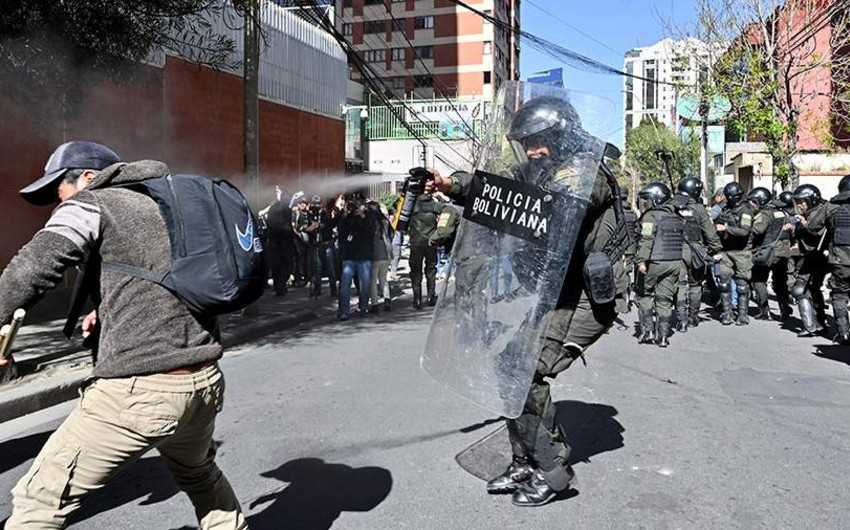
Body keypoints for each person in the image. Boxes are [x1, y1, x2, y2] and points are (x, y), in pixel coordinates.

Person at [0, 142, 246, 528]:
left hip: (141, 389)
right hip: (204, 383)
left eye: (57, 190)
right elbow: (161, 275)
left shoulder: (92, 203)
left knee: (38, 500)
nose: (56, 201)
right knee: (199, 475)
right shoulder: (170, 202)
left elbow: (31, 268)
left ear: (85, 177)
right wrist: (108, 307)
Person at [430, 94, 626, 507]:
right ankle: (526, 460)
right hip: (558, 293)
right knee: (509, 368)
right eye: (527, 143)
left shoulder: (584, 173)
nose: (532, 150)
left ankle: (553, 470)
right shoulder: (545, 170)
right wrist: (449, 184)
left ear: (563, 134)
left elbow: (560, 210)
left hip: (586, 298)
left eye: (540, 140)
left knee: (527, 371)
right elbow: (500, 192)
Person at [797, 177, 850, 342]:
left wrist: (804, 224)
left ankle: (844, 333)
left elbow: (813, 227)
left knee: (839, 295)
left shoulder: (831, 206)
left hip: (840, 259)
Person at [635, 182, 683, 347]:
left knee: (644, 294)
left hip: (655, 262)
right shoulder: (676, 216)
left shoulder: (651, 216)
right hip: (675, 262)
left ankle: (647, 331)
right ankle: (663, 337)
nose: (645, 203)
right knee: (664, 299)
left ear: (656, 199)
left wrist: (641, 260)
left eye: (647, 200)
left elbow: (646, 240)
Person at [671, 177, 722, 330]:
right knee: (695, 285)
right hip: (696, 251)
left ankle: (681, 319)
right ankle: (693, 317)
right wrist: (716, 250)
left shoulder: (672, 206)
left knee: (679, 285)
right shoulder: (699, 209)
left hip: (676, 250)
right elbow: (710, 233)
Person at [405, 177, 459, 309]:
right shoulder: (433, 205)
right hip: (431, 242)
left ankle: (417, 299)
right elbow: (450, 210)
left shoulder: (411, 205)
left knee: (416, 272)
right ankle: (430, 296)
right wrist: (439, 234)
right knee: (431, 270)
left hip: (415, 243)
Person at [748, 187, 794, 320]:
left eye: (754, 202)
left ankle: (764, 311)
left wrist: (746, 227)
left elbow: (758, 230)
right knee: (780, 281)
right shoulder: (780, 212)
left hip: (767, 252)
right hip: (783, 252)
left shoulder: (765, 213)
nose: (753, 205)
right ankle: (784, 308)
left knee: (759, 280)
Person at [790, 184, 829, 336]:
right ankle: (820, 323)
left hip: (818, 257)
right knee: (813, 289)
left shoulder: (819, 212)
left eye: (802, 201)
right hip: (812, 256)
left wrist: (805, 225)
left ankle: (811, 326)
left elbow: (818, 233)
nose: (800, 205)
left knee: (798, 289)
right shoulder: (813, 212)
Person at [715, 181, 755, 326]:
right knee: (724, 283)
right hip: (726, 251)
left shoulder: (746, 210)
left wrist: (726, 228)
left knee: (742, 284)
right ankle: (727, 313)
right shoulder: (725, 209)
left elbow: (744, 231)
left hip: (741, 251)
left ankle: (743, 314)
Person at [337, 193, 376, 321]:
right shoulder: (348, 216)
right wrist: (343, 217)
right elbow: (342, 235)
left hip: (364, 255)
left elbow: (371, 231)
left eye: (359, 201)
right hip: (349, 255)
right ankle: (344, 311)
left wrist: (363, 216)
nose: (356, 204)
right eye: (354, 201)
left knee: (365, 285)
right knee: (345, 285)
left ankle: (363, 306)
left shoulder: (369, 214)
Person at [265, 186, 296, 296]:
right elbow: (288, 227)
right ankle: (281, 286)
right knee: (286, 265)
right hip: (284, 242)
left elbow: (269, 223)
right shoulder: (287, 210)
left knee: (276, 266)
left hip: (274, 242)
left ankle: (279, 287)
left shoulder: (273, 208)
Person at [369, 201, 394, 312]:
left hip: (375, 253)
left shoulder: (370, 222)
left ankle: (375, 304)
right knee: (384, 279)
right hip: (386, 252)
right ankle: (387, 300)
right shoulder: (385, 221)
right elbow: (391, 235)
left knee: (373, 281)